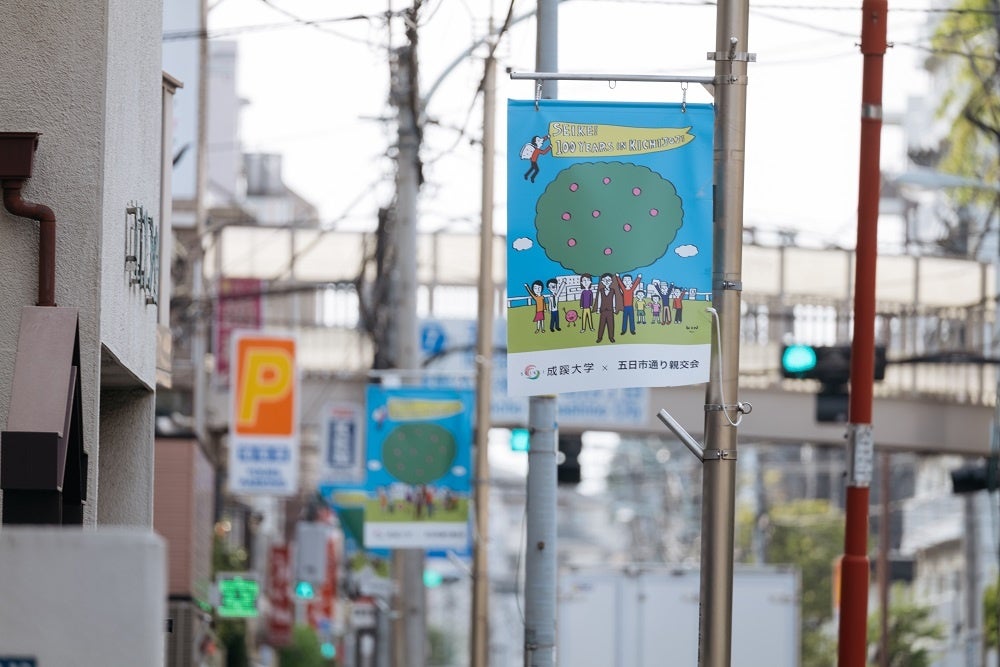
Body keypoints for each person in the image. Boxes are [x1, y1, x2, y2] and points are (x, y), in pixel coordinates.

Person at [593, 272, 620, 343]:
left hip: (610, 310)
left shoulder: (612, 290)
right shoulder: (601, 291)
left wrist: (614, 308)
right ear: (602, 281)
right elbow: (599, 300)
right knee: (601, 324)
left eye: (608, 280)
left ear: (611, 281)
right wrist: (598, 309)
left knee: (611, 324)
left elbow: (614, 299)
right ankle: (599, 337)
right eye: (605, 280)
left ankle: (611, 337)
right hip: (603, 310)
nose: (607, 282)